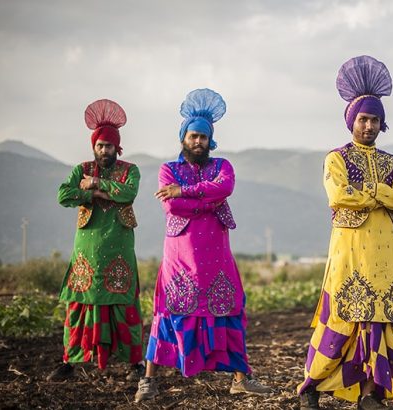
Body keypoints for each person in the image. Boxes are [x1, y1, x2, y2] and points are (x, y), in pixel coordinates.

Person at [135, 88, 271, 402]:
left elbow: (225, 187)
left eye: (204, 137)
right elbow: (172, 209)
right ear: (183, 137)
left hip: (217, 257)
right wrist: (204, 200)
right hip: (180, 259)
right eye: (193, 136)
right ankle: (149, 380)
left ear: (211, 141)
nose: (198, 142)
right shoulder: (167, 170)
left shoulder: (222, 166)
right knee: (169, 312)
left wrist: (183, 192)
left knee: (228, 309)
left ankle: (241, 378)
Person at [297, 55, 393, 410]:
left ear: (382, 124)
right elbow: (339, 194)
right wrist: (382, 194)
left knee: (379, 321)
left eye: (375, 120)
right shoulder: (336, 158)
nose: (369, 126)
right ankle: (311, 389)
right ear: (351, 121)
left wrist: (371, 194)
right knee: (340, 321)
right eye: (363, 119)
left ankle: (369, 394)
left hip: (385, 257)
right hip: (348, 254)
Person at [48, 99, 144, 381]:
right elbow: (64, 195)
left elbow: (128, 194)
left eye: (109, 146)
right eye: (100, 146)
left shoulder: (131, 170)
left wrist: (98, 184)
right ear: (94, 146)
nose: (105, 151)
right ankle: (69, 361)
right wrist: (95, 195)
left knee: (124, 305)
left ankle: (135, 364)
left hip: (119, 249)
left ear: (118, 147)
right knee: (79, 304)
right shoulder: (81, 169)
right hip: (86, 251)